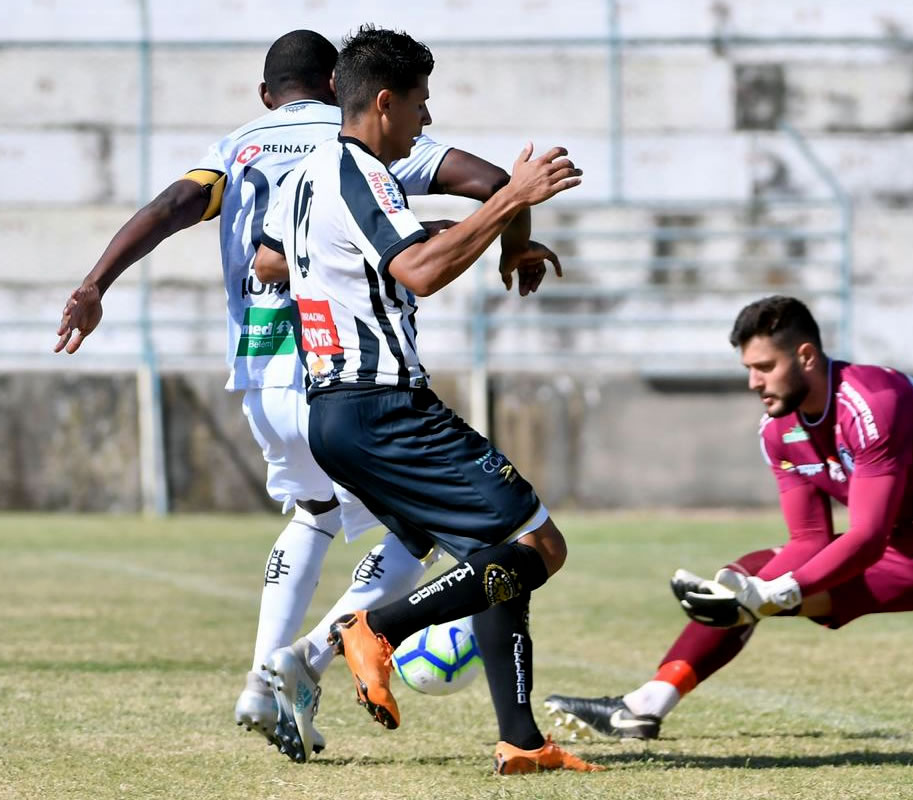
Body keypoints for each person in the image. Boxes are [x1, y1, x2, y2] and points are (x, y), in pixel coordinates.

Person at [53, 29, 559, 762]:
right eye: (418, 104)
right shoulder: (356, 151)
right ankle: (348, 639)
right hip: (369, 390)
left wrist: (96, 282)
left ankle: (278, 676)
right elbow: (471, 199)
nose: (424, 117)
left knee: (327, 515)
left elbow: (208, 225)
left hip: (271, 379)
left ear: (267, 95)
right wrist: (509, 224)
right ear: (347, 90)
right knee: (508, 545)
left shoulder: (242, 149)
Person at [253, 25, 601, 775]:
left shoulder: (307, 176)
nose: (426, 121)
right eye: (421, 104)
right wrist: (511, 198)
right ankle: (374, 631)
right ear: (384, 102)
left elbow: (271, 261)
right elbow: (417, 271)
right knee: (541, 549)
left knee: (493, 554)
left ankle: (521, 739)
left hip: (335, 413)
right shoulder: (364, 173)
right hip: (384, 408)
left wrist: (449, 237)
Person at [544, 295, 913, 749]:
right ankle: (643, 707)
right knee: (745, 576)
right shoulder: (777, 432)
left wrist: (782, 592)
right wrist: (752, 591)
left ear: (806, 356)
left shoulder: (873, 402)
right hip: (898, 556)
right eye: (748, 368)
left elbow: (865, 536)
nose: (753, 382)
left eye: (764, 366)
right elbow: (809, 539)